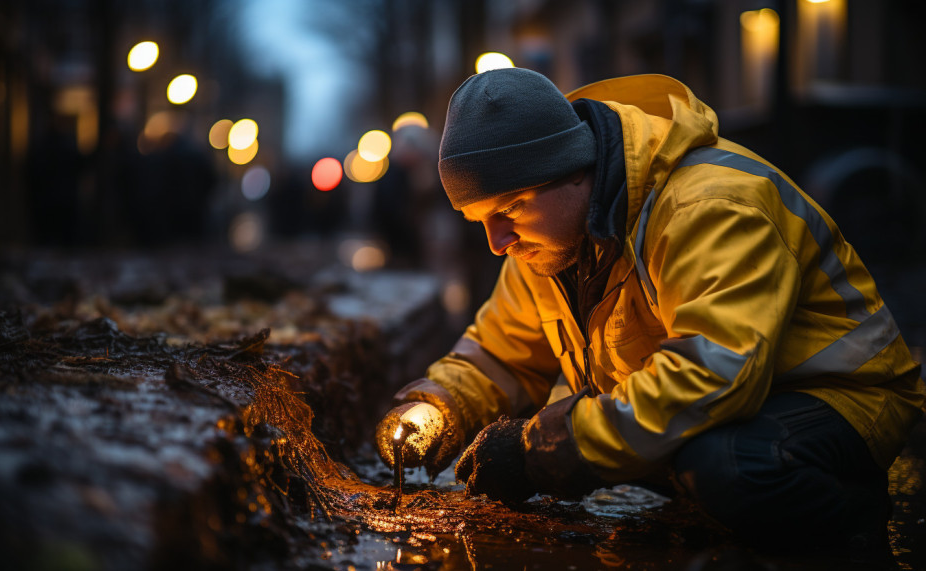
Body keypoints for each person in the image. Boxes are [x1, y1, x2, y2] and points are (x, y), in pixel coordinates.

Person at [375, 68, 925, 550]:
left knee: (726, 469)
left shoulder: (712, 207)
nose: (497, 242)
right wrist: (436, 410)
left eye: (511, 208)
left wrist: (543, 450)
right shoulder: (545, 243)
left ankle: (851, 522)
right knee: (676, 452)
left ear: (576, 168)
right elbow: (501, 354)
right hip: (741, 404)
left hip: (843, 396)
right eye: (480, 220)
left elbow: (712, 375)